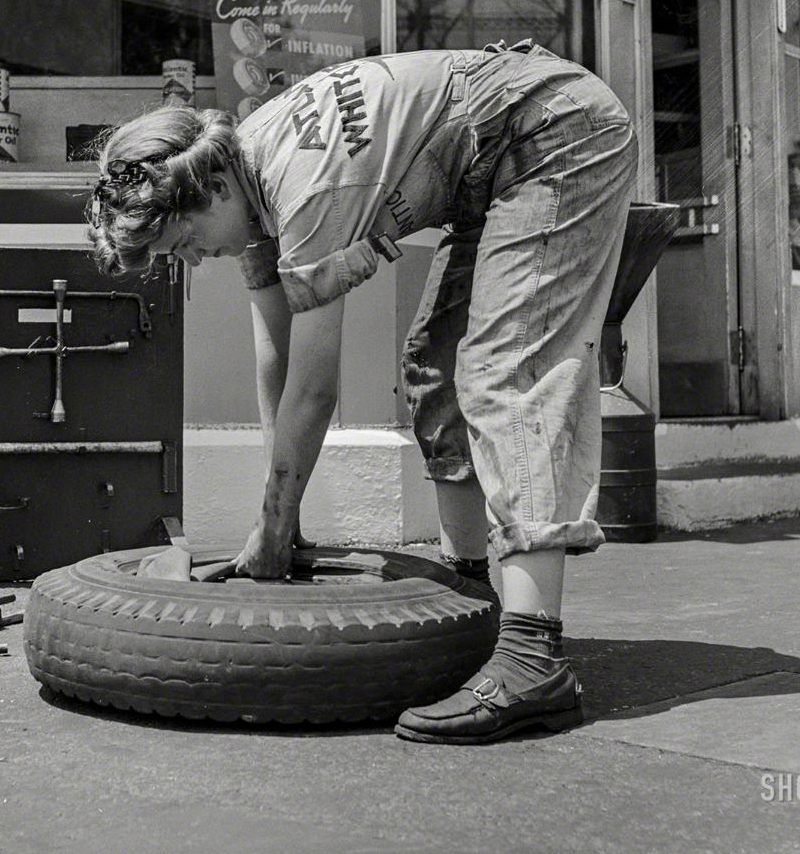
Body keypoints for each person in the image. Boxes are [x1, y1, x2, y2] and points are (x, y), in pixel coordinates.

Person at [86, 40, 637, 744]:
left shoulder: (304, 188)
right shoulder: (241, 173)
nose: (193, 261)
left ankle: (534, 657)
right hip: (491, 158)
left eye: (183, 242)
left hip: (559, 131)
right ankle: (473, 597)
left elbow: (316, 389)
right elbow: (277, 356)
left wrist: (276, 527)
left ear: (211, 189)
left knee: (506, 366)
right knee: (435, 364)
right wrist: (277, 519)